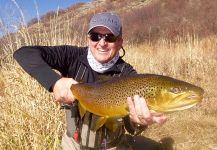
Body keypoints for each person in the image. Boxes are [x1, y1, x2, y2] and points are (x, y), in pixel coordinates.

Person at [13, 12, 167, 150]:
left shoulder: (128, 75)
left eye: (110, 37)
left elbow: (132, 128)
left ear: (120, 42)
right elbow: (24, 54)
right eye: (95, 36)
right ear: (88, 38)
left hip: (112, 146)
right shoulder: (71, 56)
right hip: (73, 145)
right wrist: (55, 82)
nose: (102, 43)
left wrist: (138, 121)